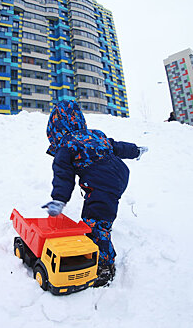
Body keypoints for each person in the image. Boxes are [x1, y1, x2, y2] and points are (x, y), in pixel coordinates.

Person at [42, 100, 148, 287]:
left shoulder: (65, 146)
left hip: (102, 182)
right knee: (99, 211)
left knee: (96, 224)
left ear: (54, 129)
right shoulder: (94, 134)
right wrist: (135, 150)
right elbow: (115, 146)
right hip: (119, 173)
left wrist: (59, 199)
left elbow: (63, 176)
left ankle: (105, 267)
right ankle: (102, 226)